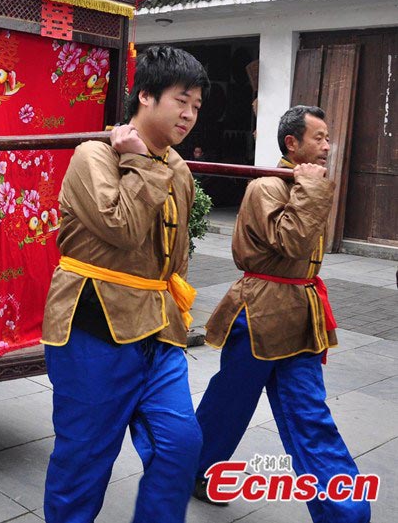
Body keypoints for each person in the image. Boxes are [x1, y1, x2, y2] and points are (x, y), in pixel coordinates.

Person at [40, 45, 208, 523]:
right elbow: (121, 228)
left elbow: (174, 253)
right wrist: (137, 161)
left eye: (197, 106)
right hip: (94, 324)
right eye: (182, 100)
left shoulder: (178, 168)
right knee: (85, 457)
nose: (190, 114)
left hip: (159, 326)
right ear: (147, 96)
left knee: (180, 444)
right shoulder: (93, 155)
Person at [193, 105, 371, 523]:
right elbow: (290, 243)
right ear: (292, 144)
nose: (327, 146)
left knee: (309, 414)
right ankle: (194, 469)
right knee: (228, 403)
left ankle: (345, 514)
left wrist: (309, 189)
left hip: (298, 311)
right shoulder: (267, 188)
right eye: (318, 138)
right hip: (259, 312)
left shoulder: (300, 184)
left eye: (328, 138)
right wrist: (309, 191)